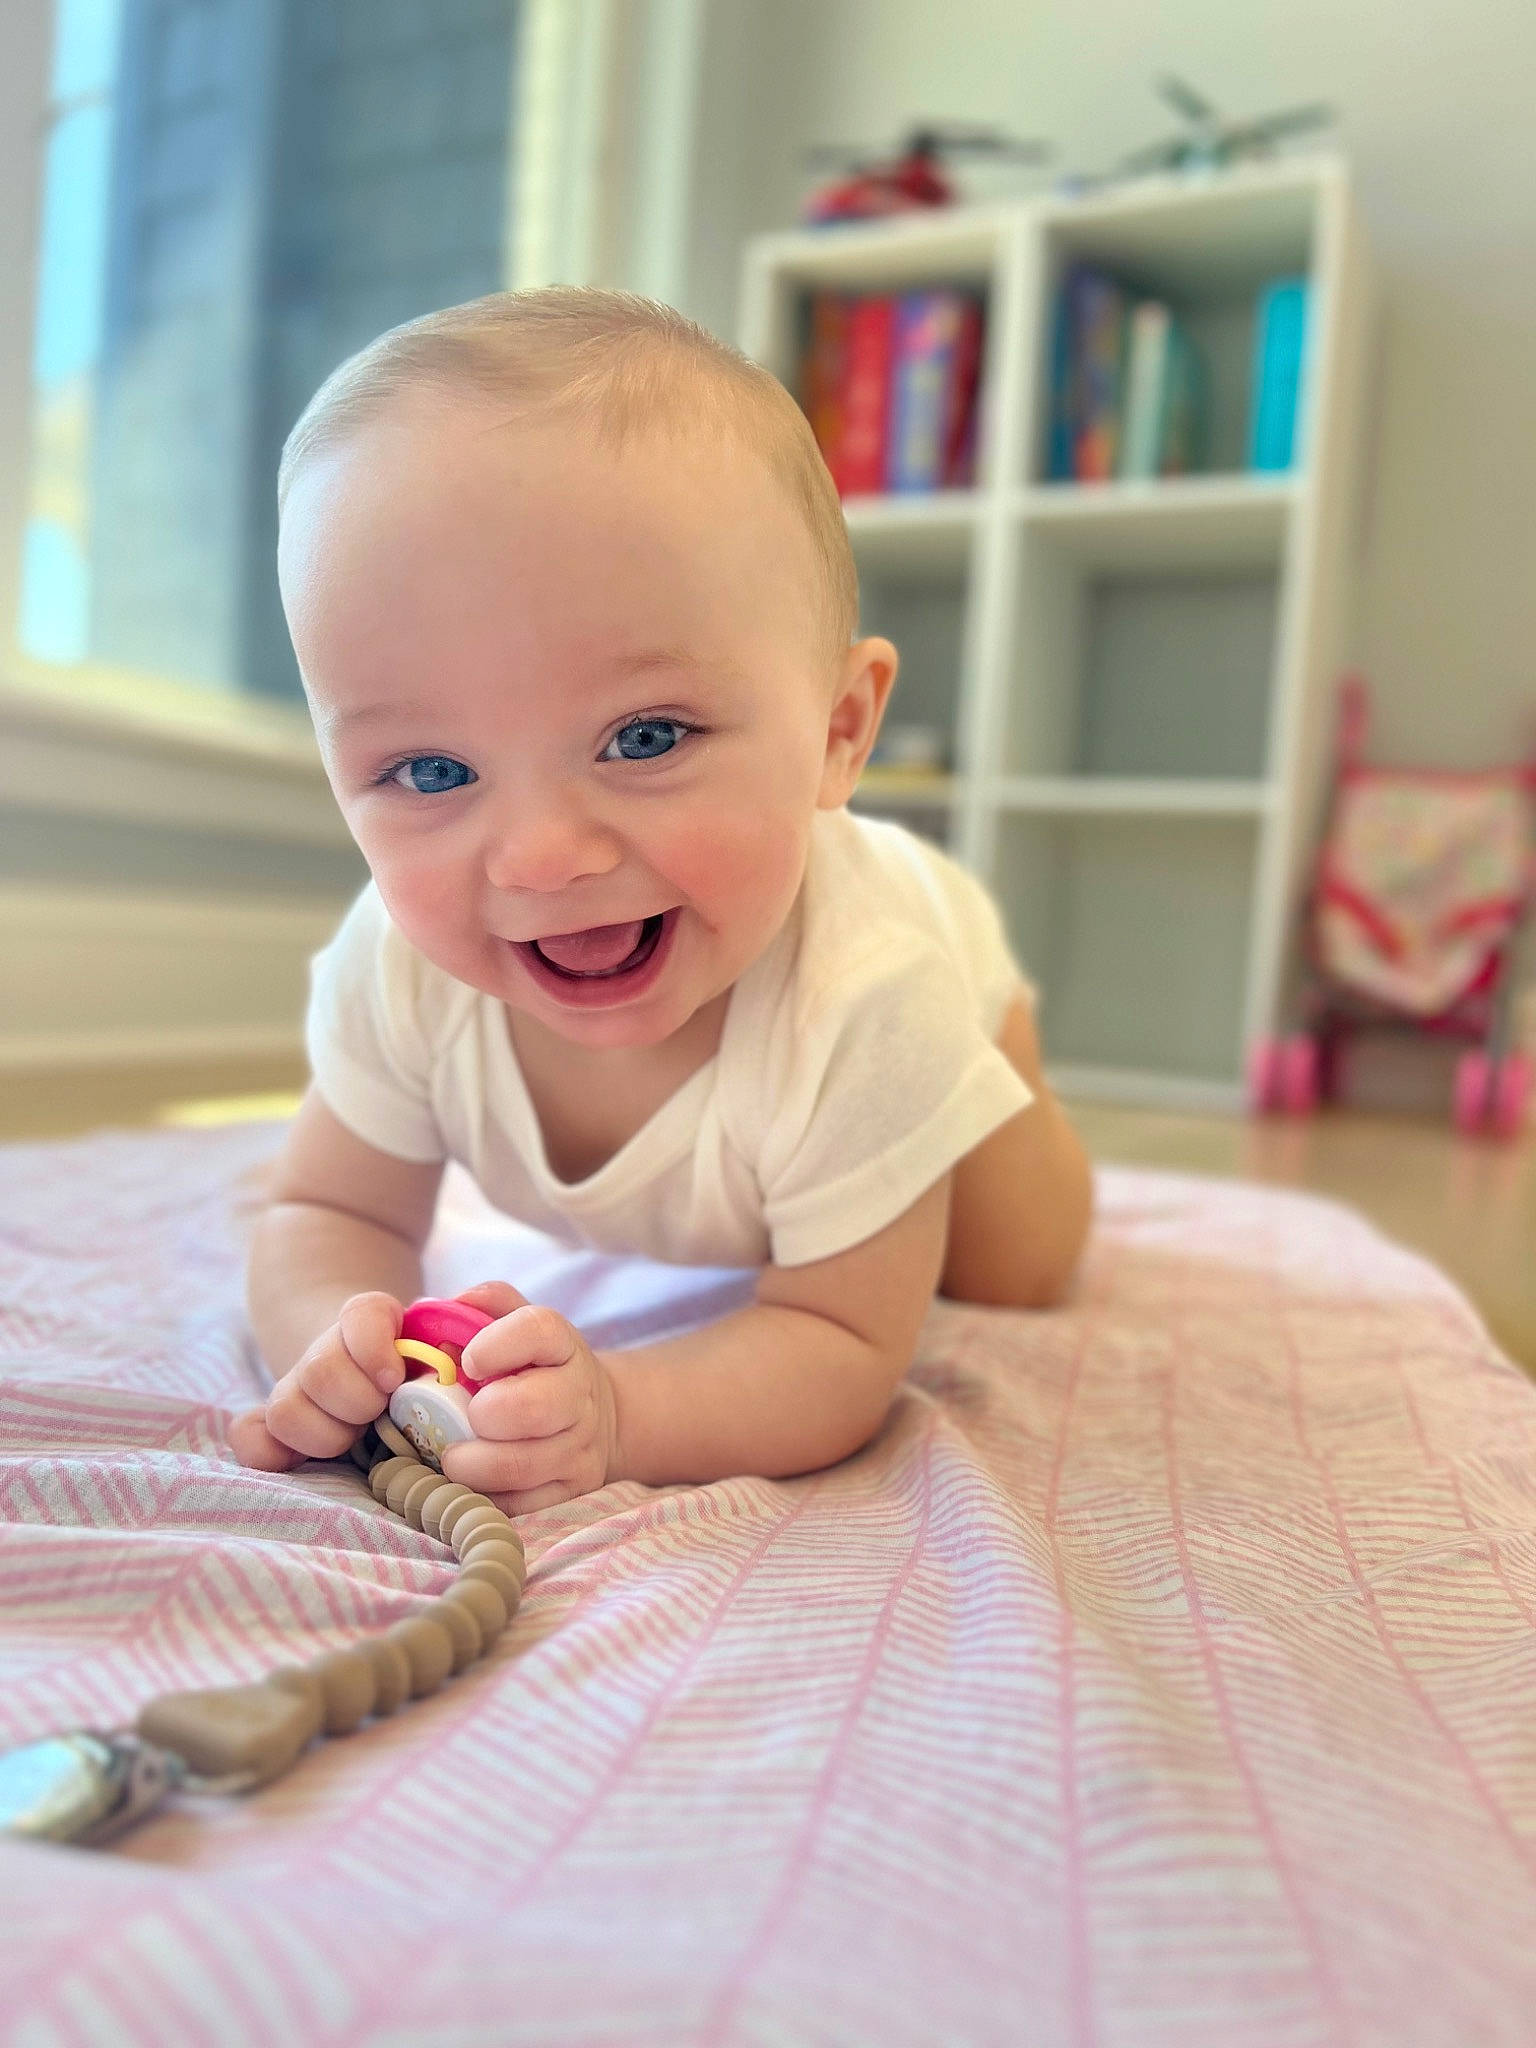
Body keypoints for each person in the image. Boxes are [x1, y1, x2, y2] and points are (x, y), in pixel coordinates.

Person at [230, 287, 1093, 1512]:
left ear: (840, 731)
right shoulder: (403, 966)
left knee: (1018, 1268)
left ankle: (1011, 1048)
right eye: (431, 771)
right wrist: (336, 1340)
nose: (539, 857)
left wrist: (624, 1409)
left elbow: (842, 1345)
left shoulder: (872, 996)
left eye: (644, 736)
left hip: (948, 972)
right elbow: (323, 1205)